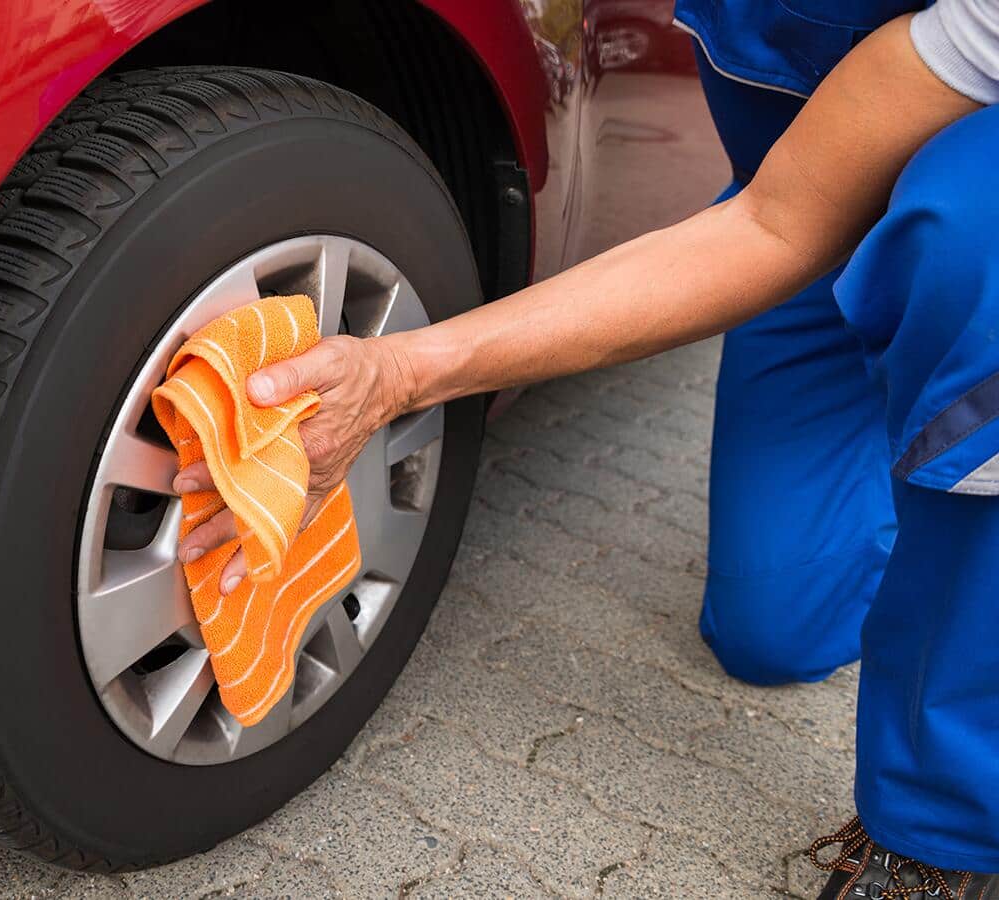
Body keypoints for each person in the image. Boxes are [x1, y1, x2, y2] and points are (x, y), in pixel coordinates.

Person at [171, 0, 999, 896]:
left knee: (968, 236)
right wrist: (392, 373)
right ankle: (910, 368)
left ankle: (942, 827)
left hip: (966, 249)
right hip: (806, 223)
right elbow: (770, 225)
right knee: (770, 634)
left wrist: (404, 375)